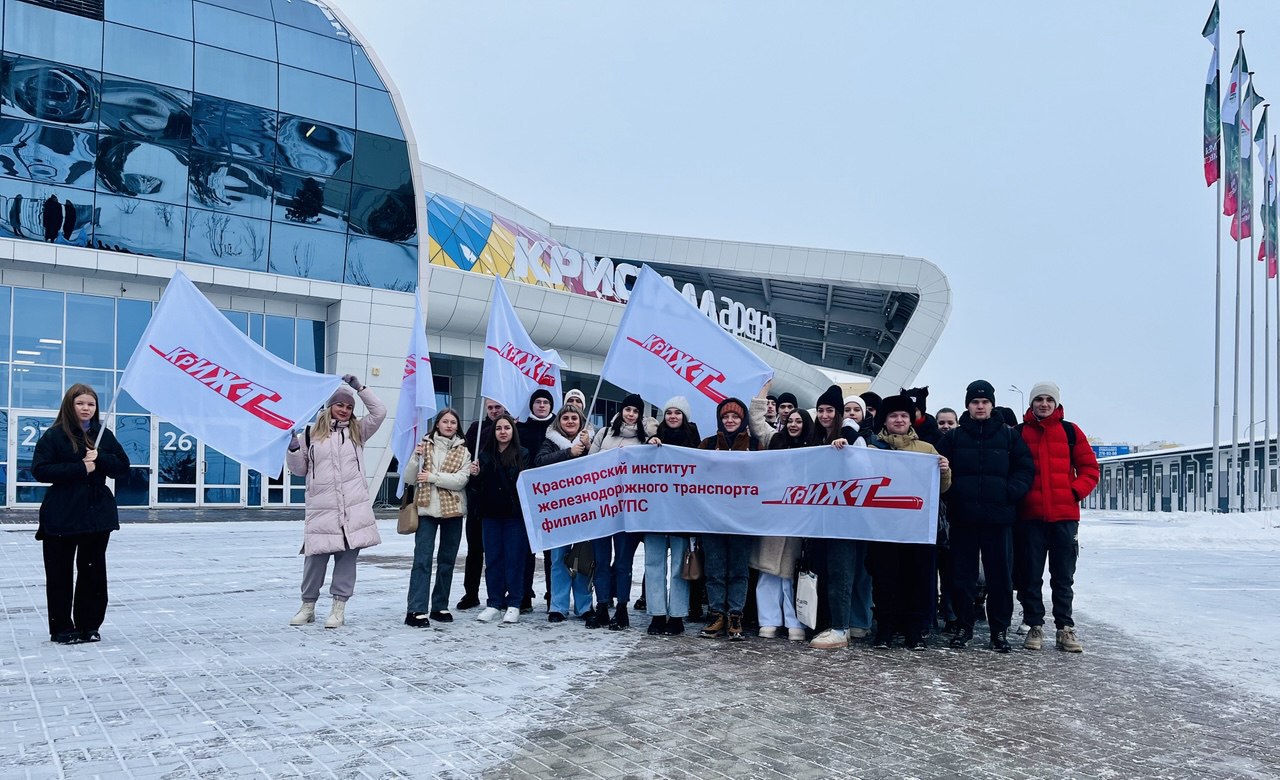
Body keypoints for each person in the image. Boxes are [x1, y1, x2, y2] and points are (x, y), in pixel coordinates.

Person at [934, 380, 1034, 653]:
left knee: (1000, 578)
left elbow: (1025, 469)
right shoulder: (954, 438)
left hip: (998, 519)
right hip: (963, 518)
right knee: (962, 577)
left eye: (985, 402)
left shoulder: (1009, 436)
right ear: (967, 405)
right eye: (975, 402)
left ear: (992, 405)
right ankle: (963, 627)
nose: (980, 406)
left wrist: (1009, 492)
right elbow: (937, 469)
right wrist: (953, 496)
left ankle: (998, 631)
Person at [32, 383, 131, 644]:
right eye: (80, 403)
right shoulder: (54, 436)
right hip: (62, 514)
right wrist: (80, 467)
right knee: (59, 574)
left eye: (91, 404)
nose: (86, 408)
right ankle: (62, 628)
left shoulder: (103, 435)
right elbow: (40, 470)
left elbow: (122, 468)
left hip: (96, 515)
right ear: (70, 405)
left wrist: (101, 458)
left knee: (93, 573)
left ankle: (89, 625)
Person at [286, 375, 386, 629]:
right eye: (340, 405)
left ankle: (338, 609)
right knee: (314, 562)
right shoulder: (310, 435)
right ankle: (308, 607)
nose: (344, 410)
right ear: (330, 406)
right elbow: (299, 470)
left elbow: (379, 412)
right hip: (322, 509)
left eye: (349, 407)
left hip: (352, 509)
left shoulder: (357, 432)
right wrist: (293, 449)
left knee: (346, 562)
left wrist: (359, 388)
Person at [1016, 381, 1099, 653]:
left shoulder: (1071, 432)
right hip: (1030, 517)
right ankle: (1034, 625)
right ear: (1031, 403)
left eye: (1049, 399)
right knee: (1030, 575)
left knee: (1063, 577)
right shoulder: (1019, 433)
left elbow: (1090, 469)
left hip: (1064, 517)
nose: (1044, 404)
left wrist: (1073, 492)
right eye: (1039, 399)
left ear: (1056, 403)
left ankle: (1065, 628)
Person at [866, 394, 951, 650]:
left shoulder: (926, 449)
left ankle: (915, 631)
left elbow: (942, 488)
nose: (899, 420)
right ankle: (885, 629)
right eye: (893, 415)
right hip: (883, 526)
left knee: (917, 578)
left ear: (911, 419)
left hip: (917, 527)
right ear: (885, 420)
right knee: (885, 579)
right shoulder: (871, 449)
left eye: (904, 415)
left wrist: (945, 471)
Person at [809, 385, 877, 649]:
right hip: (821, 516)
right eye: (821, 410)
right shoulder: (817, 438)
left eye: (830, 410)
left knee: (842, 571)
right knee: (827, 570)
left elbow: (865, 473)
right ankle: (834, 623)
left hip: (845, 517)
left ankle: (840, 628)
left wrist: (846, 451)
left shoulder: (851, 438)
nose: (825, 415)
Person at [587, 393, 655, 629]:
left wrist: (653, 441)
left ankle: (622, 608)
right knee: (601, 560)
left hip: (628, 510)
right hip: (601, 507)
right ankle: (602, 606)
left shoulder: (644, 439)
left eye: (635, 411)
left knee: (623, 562)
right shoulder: (604, 433)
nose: (631, 414)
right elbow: (588, 465)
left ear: (640, 415)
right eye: (628, 409)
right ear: (621, 411)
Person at [402, 408, 471, 628]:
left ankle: (440, 606)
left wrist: (432, 477)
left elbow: (461, 480)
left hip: (453, 511)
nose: (449, 425)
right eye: (445, 421)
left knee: (447, 561)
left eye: (453, 422)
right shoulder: (424, 446)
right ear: (437, 424)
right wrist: (416, 458)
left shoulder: (464, 451)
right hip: (426, 509)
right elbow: (410, 478)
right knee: (422, 560)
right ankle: (416, 608)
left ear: (457, 426)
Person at [698, 396, 760, 640]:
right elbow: (691, 475)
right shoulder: (708, 443)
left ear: (743, 419)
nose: (730, 420)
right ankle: (716, 614)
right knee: (714, 569)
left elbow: (765, 478)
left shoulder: (755, 445)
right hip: (712, 518)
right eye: (726, 416)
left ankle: (735, 615)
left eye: (735, 416)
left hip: (742, 520)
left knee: (738, 569)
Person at [643, 396, 701, 635]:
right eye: (669, 412)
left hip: (682, 515)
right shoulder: (654, 442)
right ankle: (657, 614)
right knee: (654, 564)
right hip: (655, 513)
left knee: (679, 565)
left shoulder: (695, 443)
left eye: (678, 413)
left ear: (684, 417)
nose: (673, 416)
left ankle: (677, 615)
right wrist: (649, 444)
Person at [755, 408, 812, 642]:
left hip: (799, 518)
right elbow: (757, 422)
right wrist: (763, 392)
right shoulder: (775, 441)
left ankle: (794, 622)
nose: (793, 425)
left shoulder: (815, 447)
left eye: (799, 421)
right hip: (773, 516)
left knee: (791, 573)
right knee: (768, 572)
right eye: (790, 421)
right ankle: (768, 621)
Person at [536, 405, 595, 625]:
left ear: (581, 422)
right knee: (558, 558)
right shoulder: (550, 442)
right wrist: (568, 453)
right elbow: (540, 462)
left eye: (574, 418)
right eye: (566, 418)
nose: (570, 421)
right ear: (559, 422)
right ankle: (558, 606)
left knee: (583, 557)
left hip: (585, 508)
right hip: (558, 510)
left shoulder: (591, 443)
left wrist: (588, 448)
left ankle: (584, 606)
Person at [469, 414, 530, 624]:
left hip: (514, 516)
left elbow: (523, 484)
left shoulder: (523, 454)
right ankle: (494, 603)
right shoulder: (484, 455)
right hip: (490, 515)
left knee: (514, 560)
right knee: (493, 560)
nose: (503, 432)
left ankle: (514, 603)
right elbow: (476, 489)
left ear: (513, 431)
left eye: (507, 428)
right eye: (498, 428)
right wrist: (475, 475)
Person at [457, 398, 506, 610]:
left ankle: (501, 593)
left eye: (498, 407)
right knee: (475, 550)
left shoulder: (510, 427)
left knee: (501, 552)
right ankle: (471, 593)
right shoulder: (477, 428)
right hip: (478, 499)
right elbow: (464, 454)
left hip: (501, 500)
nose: (494, 411)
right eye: (490, 408)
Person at [517, 389, 556, 613]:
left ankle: (553, 595)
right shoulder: (520, 429)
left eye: (545, 402)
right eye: (538, 402)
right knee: (526, 549)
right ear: (531, 405)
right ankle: (524, 594)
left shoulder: (557, 430)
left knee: (552, 552)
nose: (541, 405)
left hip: (553, 499)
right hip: (527, 497)